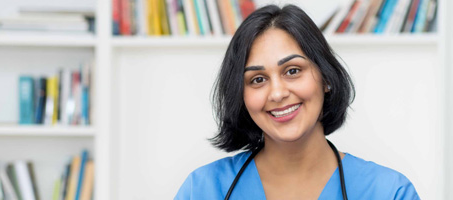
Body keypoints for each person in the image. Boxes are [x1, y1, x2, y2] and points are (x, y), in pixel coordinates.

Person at [174, 4, 419, 200]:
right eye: (258, 79)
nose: (277, 93)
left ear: (326, 78)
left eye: (292, 71)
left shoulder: (389, 192)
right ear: (242, 96)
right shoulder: (203, 190)